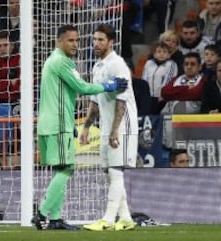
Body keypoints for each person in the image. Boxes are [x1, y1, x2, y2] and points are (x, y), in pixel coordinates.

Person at [32, 24, 128, 231]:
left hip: (52, 123)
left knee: (60, 169)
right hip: (57, 125)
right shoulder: (61, 62)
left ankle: (55, 219)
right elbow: (82, 88)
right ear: (59, 41)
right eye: (70, 40)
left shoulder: (53, 61)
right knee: (67, 169)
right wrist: (108, 86)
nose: (76, 44)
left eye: (77, 40)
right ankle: (41, 213)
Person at [81, 23, 138, 232]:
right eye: (94, 39)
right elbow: (95, 100)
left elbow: (121, 101)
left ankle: (107, 219)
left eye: (100, 40)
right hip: (106, 125)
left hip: (122, 125)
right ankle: (126, 218)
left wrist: (115, 130)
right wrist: (87, 127)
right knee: (109, 172)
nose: (96, 43)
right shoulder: (97, 66)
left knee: (115, 171)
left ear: (111, 42)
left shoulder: (118, 65)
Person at [141, 42, 178, 114]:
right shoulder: (149, 63)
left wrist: (163, 94)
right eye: (159, 52)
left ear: (169, 55)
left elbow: (169, 80)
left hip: (162, 97)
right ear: (154, 54)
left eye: (164, 52)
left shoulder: (171, 64)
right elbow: (144, 78)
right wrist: (144, 95)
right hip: (149, 97)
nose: (162, 54)